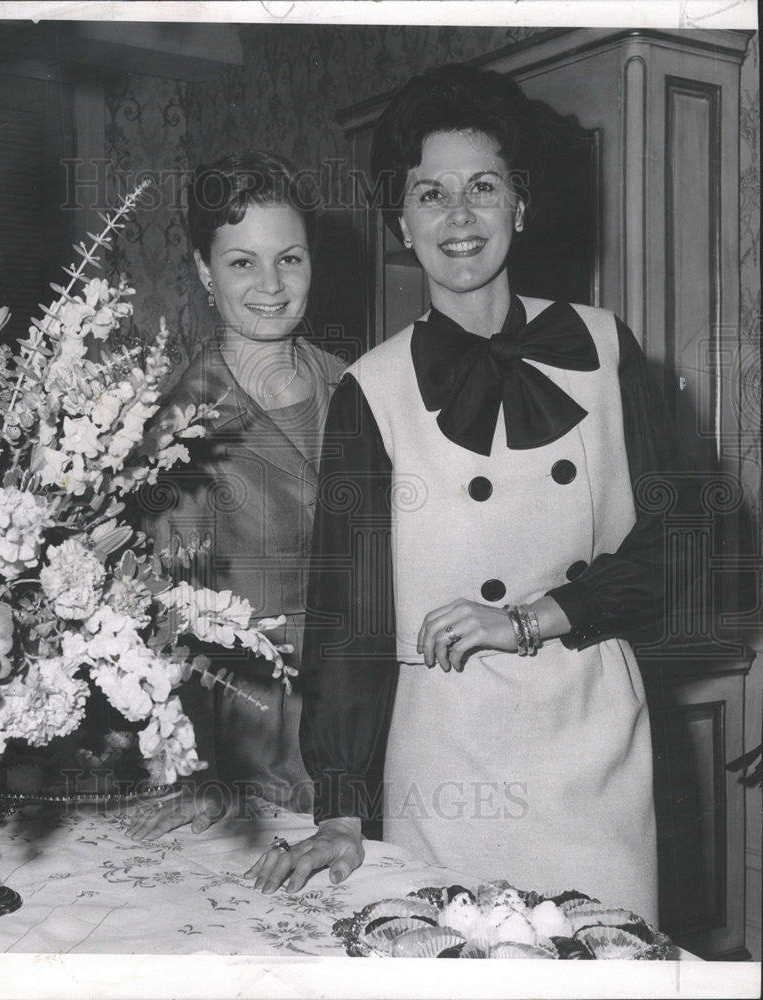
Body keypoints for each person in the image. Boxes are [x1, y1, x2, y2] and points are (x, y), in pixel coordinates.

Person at [247, 64, 690, 926]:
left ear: (520, 207)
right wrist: (340, 805)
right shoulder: (369, 391)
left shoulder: (607, 348)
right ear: (401, 223)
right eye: (430, 194)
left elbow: (682, 547)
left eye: (483, 187)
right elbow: (349, 608)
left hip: (593, 741)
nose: (460, 216)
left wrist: (528, 618)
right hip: (448, 759)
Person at [128, 149, 345, 840]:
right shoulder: (178, 427)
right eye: (242, 261)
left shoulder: (360, 385)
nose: (272, 285)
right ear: (203, 271)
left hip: (378, 728)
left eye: (291, 258)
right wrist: (198, 776)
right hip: (265, 755)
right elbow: (174, 622)